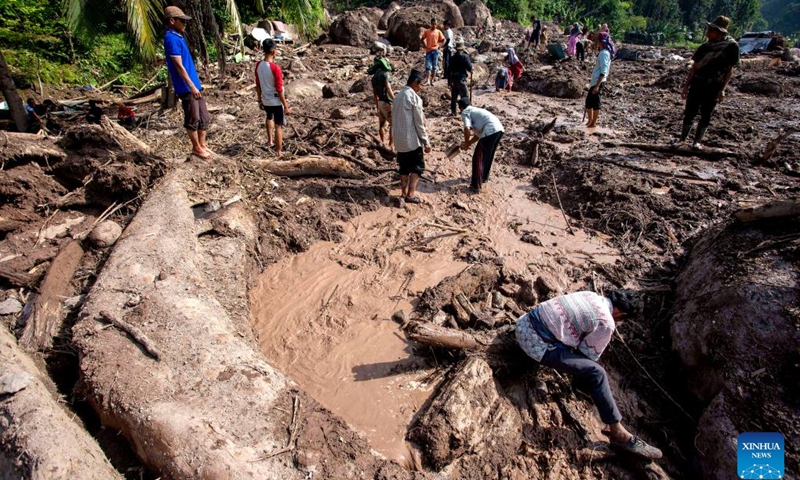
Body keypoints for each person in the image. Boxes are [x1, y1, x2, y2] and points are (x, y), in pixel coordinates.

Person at [515, 290, 663, 460]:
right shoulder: (606, 322)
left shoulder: (590, 295)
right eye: (622, 319)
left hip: (524, 323)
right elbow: (587, 356)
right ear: (621, 314)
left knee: (580, 354)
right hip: (535, 342)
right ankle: (618, 432)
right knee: (597, 372)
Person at [674, 16, 739, 150]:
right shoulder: (705, 47)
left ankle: (697, 142)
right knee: (690, 112)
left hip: (714, 85)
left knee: (706, 114)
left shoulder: (731, 47)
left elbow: (729, 71)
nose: (708, 33)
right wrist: (686, 87)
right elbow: (694, 68)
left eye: (711, 31)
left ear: (719, 32)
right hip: (698, 83)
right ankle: (682, 140)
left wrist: (722, 89)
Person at [164, 6, 213, 159]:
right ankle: (196, 147)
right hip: (186, 86)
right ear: (172, 21)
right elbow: (178, 65)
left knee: (204, 116)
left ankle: (202, 145)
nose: (184, 24)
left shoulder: (178, 37)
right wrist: (191, 85)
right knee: (193, 117)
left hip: (194, 85)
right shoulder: (171, 38)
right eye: (182, 21)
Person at [392, 70, 431, 204]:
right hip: (411, 140)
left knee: (404, 168)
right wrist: (426, 141)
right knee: (417, 167)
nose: (422, 87)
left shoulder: (397, 96)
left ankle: (403, 194)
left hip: (399, 140)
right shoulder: (414, 98)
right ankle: (410, 195)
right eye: (421, 84)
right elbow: (419, 123)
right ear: (415, 82)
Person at [457, 97, 504, 192]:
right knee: (487, 156)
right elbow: (477, 136)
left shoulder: (465, 112)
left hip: (490, 129)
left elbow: (467, 129)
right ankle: (484, 177)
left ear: (460, 108)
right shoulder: (476, 111)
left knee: (478, 158)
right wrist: (468, 143)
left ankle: (476, 186)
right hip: (499, 129)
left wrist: (466, 143)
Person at [255, 38, 292, 158]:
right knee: (278, 125)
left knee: (269, 117)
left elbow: (258, 86)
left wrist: (259, 100)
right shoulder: (275, 68)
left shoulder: (258, 65)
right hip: (275, 101)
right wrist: (286, 106)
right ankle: (278, 151)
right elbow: (279, 89)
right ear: (274, 51)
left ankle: (269, 140)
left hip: (265, 99)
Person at [585, 32, 614, 129]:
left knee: (595, 103)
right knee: (589, 102)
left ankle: (593, 123)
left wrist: (597, 86)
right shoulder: (603, 53)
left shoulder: (604, 54)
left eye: (598, 40)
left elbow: (604, 70)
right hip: (596, 81)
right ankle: (590, 121)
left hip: (598, 81)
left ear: (601, 41)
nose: (596, 42)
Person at [368, 56, 394, 148]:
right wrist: (394, 99)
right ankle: (391, 145)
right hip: (387, 102)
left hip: (380, 102)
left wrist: (377, 105)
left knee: (382, 125)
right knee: (394, 124)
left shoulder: (374, 77)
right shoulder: (385, 74)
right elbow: (388, 88)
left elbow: (374, 93)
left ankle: (382, 143)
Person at [448, 39, 472, 116]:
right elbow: (469, 67)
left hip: (454, 80)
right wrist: (471, 70)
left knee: (454, 97)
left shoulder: (452, 58)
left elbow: (449, 70)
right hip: (461, 79)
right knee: (464, 96)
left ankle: (453, 111)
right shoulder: (465, 57)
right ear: (462, 48)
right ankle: (465, 111)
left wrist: (449, 82)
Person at [420, 19, 445, 85]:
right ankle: (428, 80)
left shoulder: (438, 32)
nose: (434, 25)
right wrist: (425, 46)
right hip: (428, 51)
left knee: (434, 66)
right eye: (433, 24)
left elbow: (443, 40)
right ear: (431, 24)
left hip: (435, 50)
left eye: (435, 24)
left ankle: (432, 80)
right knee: (428, 66)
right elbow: (422, 39)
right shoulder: (427, 31)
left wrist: (440, 46)